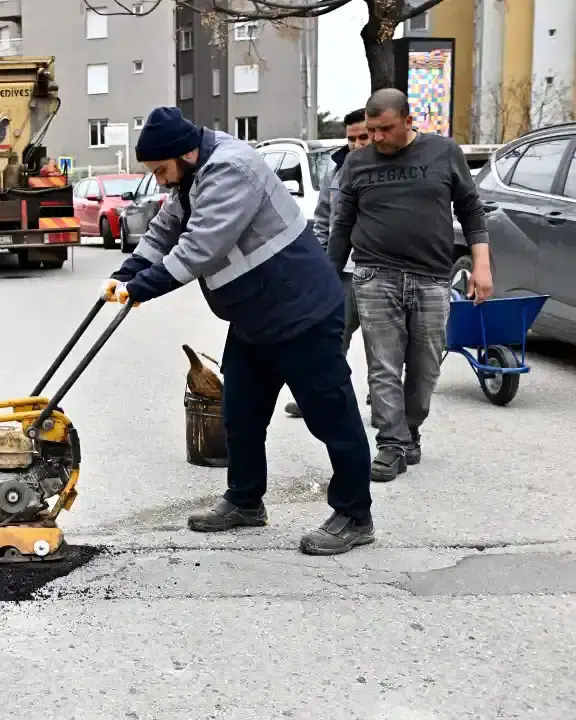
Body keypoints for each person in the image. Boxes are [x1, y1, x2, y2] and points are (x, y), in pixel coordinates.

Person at [105, 106, 374, 556]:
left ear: (185, 154)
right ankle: (245, 500)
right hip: (254, 315)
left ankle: (355, 514)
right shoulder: (193, 173)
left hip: (300, 310)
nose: (161, 180)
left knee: (332, 416)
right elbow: (166, 228)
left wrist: (141, 288)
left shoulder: (231, 170)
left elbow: (200, 248)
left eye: (161, 170)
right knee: (240, 413)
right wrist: (126, 272)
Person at [328, 89, 493, 483]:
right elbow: (342, 227)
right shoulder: (357, 163)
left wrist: (482, 266)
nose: (376, 138)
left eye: (385, 129)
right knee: (383, 366)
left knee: (425, 368)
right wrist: (327, 280)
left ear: (407, 120)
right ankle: (391, 444)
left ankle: (410, 429)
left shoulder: (443, 152)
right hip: (374, 276)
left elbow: (471, 210)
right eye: (371, 130)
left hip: (432, 277)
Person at [285, 108, 372, 419]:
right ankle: (318, 398)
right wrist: (321, 265)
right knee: (330, 339)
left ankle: (383, 405)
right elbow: (323, 220)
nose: (357, 144)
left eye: (364, 137)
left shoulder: (385, 171)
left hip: (378, 273)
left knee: (381, 346)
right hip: (341, 273)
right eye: (352, 138)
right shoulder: (335, 171)